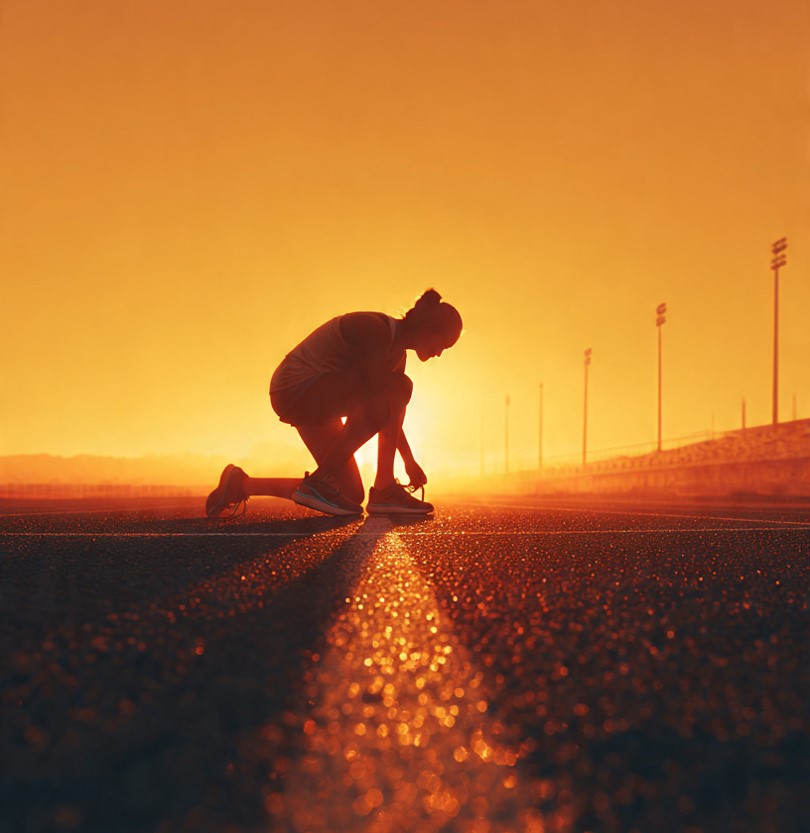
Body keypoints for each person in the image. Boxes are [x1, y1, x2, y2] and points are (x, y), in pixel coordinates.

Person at [205, 289, 462, 517]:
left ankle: (240, 485)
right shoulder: (375, 329)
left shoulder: (396, 357)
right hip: (297, 389)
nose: (439, 354)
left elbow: (387, 414)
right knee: (400, 386)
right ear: (427, 330)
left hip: (319, 401)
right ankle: (361, 487)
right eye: (443, 346)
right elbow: (372, 393)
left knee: (350, 495)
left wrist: (409, 460)